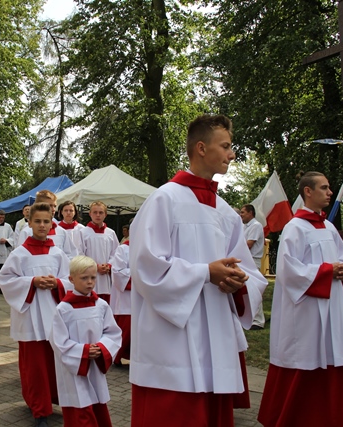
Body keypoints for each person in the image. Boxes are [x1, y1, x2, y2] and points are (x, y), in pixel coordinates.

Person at [128, 114, 267, 426]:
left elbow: (248, 270)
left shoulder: (226, 212)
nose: (232, 154)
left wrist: (239, 282)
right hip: (172, 342)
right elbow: (146, 267)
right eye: (226, 146)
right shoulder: (165, 199)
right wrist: (205, 273)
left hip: (217, 338)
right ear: (202, 148)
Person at [258, 171, 343, 427]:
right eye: (324, 188)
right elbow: (288, 271)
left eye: (329, 188)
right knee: (307, 357)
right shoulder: (295, 228)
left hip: (333, 306)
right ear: (308, 191)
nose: (329, 192)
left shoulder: (329, 227)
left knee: (336, 355)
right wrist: (327, 272)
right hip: (307, 310)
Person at [0, 202, 72, 427]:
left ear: (52, 224)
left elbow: (70, 281)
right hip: (30, 316)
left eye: (46, 221)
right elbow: (5, 280)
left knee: (54, 362)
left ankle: (55, 399)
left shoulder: (58, 254)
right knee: (35, 366)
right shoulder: (20, 254)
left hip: (54, 316)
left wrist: (58, 284)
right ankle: (40, 409)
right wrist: (32, 282)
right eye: (37, 221)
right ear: (29, 223)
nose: (42, 225)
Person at [50, 255, 121, 427]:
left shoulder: (101, 305)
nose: (89, 282)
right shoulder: (63, 309)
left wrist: (102, 348)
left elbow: (113, 332)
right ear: (71, 279)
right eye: (84, 278)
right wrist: (83, 352)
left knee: (97, 403)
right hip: (74, 368)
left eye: (93, 277)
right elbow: (58, 342)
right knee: (80, 409)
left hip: (95, 364)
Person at [16, 191, 78, 259]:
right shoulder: (27, 232)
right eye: (50, 205)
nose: (53, 209)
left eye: (54, 206)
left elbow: (70, 255)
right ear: (39, 206)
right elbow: (20, 256)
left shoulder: (61, 232)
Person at [78, 201, 119, 303]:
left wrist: (109, 265)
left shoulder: (111, 233)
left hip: (106, 277)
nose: (98, 215)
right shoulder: (83, 232)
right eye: (95, 212)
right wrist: (95, 267)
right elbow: (79, 254)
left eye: (101, 212)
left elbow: (116, 253)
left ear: (105, 214)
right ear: (90, 214)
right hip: (89, 275)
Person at [240, 203, 266, 330]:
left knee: (254, 289)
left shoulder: (256, 225)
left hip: (253, 261)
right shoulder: (245, 226)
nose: (241, 215)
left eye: (243, 212)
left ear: (250, 213)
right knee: (247, 290)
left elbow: (249, 244)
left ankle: (258, 320)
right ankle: (250, 317)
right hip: (246, 261)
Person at [110, 239, 131, 366]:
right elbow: (118, 272)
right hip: (126, 300)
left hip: (144, 297)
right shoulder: (123, 249)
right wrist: (141, 275)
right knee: (126, 330)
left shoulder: (150, 248)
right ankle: (117, 357)